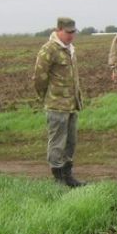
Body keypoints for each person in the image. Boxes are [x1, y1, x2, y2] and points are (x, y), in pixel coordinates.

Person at [33, 16, 85, 187]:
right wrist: (47, 97)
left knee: (71, 141)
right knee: (57, 142)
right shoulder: (49, 50)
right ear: (59, 30)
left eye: (73, 32)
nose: (71, 35)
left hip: (71, 104)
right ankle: (58, 177)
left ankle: (68, 175)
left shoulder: (70, 49)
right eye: (68, 32)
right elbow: (40, 78)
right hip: (56, 105)